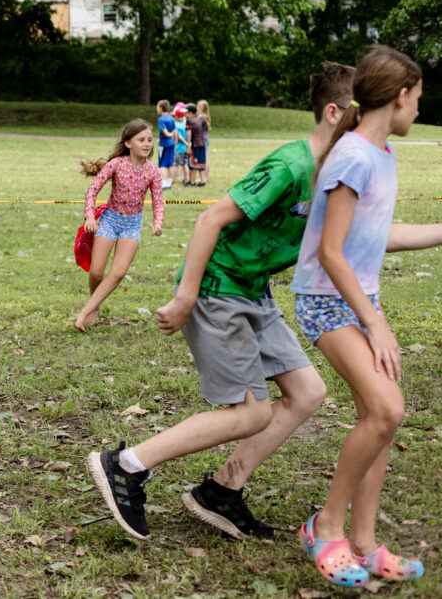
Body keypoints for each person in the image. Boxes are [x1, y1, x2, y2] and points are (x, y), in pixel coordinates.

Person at [85, 62, 354, 542]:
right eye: (367, 110)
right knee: (252, 413)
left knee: (308, 393)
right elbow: (210, 221)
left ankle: (222, 490)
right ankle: (125, 464)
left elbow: (366, 237)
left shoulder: (337, 172)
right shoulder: (291, 166)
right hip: (217, 288)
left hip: (254, 291)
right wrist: (186, 297)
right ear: (335, 113)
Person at [291, 47, 442, 587]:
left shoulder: (381, 155)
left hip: (358, 299)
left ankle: (362, 542)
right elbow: (332, 254)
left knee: (375, 421)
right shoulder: (355, 155)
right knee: (387, 410)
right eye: (419, 100)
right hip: (325, 299)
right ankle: (325, 526)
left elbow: (378, 240)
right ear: (400, 97)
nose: (420, 111)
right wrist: (375, 323)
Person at [74, 119, 164, 332]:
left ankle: (86, 311)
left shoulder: (153, 172)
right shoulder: (116, 164)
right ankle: (93, 303)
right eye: (141, 139)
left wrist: (158, 222)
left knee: (119, 272)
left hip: (132, 225)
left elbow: (158, 201)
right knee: (96, 272)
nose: (147, 144)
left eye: (150, 140)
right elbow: (92, 190)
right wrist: (90, 217)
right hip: (110, 220)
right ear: (128, 143)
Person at [156, 100, 176, 189]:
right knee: (170, 164)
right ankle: (170, 182)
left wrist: (170, 134)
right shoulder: (172, 118)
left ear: (160, 108)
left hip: (164, 144)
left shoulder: (161, 119)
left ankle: (163, 183)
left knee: (162, 165)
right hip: (171, 143)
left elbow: (166, 133)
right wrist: (174, 141)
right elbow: (175, 132)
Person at [186, 104, 206, 186]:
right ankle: (202, 181)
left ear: (190, 113)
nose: (185, 114)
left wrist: (189, 144)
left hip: (195, 144)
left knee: (193, 164)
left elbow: (189, 132)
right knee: (201, 163)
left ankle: (192, 182)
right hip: (202, 144)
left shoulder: (189, 121)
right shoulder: (197, 120)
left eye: (186, 112)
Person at [172, 102, 190, 186]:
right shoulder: (185, 125)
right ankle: (187, 179)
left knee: (175, 164)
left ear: (176, 116)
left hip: (178, 148)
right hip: (185, 149)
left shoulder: (176, 125)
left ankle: (173, 180)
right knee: (185, 164)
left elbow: (179, 137)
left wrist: (185, 143)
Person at [197, 100, 211, 183]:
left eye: (198, 106)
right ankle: (205, 177)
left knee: (205, 159)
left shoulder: (201, 117)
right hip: (205, 139)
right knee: (206, 158)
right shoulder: (205, 116)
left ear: (201, 107)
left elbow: (196, 126)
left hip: (203, 139)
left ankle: (204, 178)